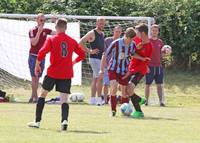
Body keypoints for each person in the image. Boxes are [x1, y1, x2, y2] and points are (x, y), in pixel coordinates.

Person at [27, 18, 86, 131]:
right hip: (66, 73)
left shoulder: (52, 39)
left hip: (53, 72)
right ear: (66, 28)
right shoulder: (72, 41)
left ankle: (37, 121)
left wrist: (37, 64)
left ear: (56, 27)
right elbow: (82, 55)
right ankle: (64, 121)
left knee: (42, 95)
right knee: (64, 99)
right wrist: (73, 62)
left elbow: (41, 52)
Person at [100, 27, 148, 116]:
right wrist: (101, 69)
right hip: (113, 69)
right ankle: (113, 111)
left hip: (124, 71)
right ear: (127, 37)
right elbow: (105, 54)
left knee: (124, 92)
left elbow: (133, 53)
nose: (132, 41)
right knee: (113, 87)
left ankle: (125, 110)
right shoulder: (116, 43)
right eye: (131, 39)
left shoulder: (132, 44)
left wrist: (142, 58)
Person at [125, 23, 153, 118]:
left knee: (129, 88)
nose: (135, 33)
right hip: (131, 67)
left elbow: (146, 60)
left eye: (137, 32)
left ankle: (139, 111)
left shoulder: (149, 46)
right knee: (124, 89)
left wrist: (141, 57)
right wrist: (137, 48)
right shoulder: (135, 40)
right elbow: (130, 53)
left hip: (140, 70)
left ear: (143, 33)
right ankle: (139, 100)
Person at [28, 13, 56, 103]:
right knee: (34, 77)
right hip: (33, 56)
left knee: (38, 78)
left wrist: (56, 23)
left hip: (41, 57)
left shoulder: (46, 30)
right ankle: (35, 97)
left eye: (44, 20)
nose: (43, 22)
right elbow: (34, 43)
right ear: (37, 20)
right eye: (41, 20)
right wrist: (39, 32)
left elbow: (59, 33)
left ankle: (33, 97)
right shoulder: (32, 30)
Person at [79, 17, 105, 105]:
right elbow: (81, 42)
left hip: (100, 59)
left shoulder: (102, 33)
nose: (102, 24)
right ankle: (98, 100)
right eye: (100, 23)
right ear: (96, 23)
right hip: (94, 58)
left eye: (103, 23)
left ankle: (93, 99)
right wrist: (89, 51)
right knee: (100, 78)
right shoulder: (92, 33)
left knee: (95, 78)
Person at [145, 24, 166, 106]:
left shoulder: (160, 42)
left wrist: (166, 53)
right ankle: (146, 101)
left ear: (158, 32)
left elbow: (162, 55)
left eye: (156, 30)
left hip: (158, 66)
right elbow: (144, 54)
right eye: (153, 30)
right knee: (148, 84)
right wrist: (145, 65)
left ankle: (161, 102)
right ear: (151, 31)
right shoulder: (147, 41)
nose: (154, 32)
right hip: (149, 66)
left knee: (159, 85)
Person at [102, 25, 122, 104]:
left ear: (121, 33)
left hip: (117, 67)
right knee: (106, 84)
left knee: (115, 85)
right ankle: (105, 100)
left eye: (119, 32)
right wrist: (103, 66)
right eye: (116, 31)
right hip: (108, 66)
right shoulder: (107, 40)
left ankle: (112, 99)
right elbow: (104, 53)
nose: (117, 33)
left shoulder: (122, 41)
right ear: (113, 31)